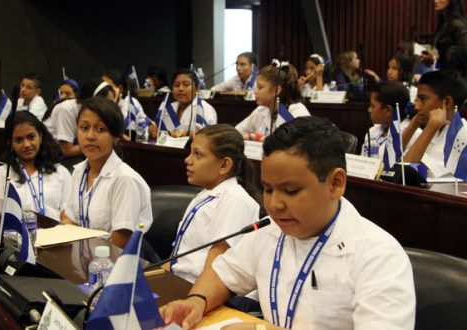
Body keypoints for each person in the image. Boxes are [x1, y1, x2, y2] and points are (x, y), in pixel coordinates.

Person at [160, 116, 416, 330]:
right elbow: (223, 273)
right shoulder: (270, 230)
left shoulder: (379, 255)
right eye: (268, 189)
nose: (275, 204)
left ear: (335, 183)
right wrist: (197, 300)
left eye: (290, 190)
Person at [167, 124, 260, 283]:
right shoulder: (206, 194)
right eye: (190, 152)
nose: (187, 160)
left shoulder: (235, 200)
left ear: (224, 165)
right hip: (179, 278)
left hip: (200, 289)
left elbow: (216, 266)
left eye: (198, 154)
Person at [61, 97, 152, 248]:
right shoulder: (79, 172)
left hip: (115, 265)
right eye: (84, 128)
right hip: (83, 258)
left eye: (100, 129)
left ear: (116, 137)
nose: (89, 136)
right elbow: (71, 221)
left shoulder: (124, 180)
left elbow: (119, 246)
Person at [0, 111, 70, 221]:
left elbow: (68, 215)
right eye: (19, 140)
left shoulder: (61, 172)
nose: (26, 145)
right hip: (14, 236)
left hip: (56, 235)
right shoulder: (1, 174)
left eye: (31, 137)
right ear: (10, 143)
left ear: (40, 137)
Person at [403, 70, 467, 177]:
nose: (416, 106)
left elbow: (405, 173)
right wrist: (414, 123)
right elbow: (394, 165)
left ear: (447, 102)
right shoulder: (438, 130)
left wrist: (432, 126)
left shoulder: (461, 135)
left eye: (423, 99)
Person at [236, 63, 309, 141]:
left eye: (260, 87)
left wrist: (255, 137)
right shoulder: (261, 110)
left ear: (277, 90)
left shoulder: (297, 110)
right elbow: (236, 133)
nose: (255, 91)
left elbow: (298, 145)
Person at [44, 79, 116, 158]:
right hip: (51, 157)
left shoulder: (92, 112)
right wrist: (99, 144)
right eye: (108, 103)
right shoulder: (66, 109)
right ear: (94, 100)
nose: (110, 107)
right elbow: (67, 151)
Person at [361, 81, 421, 159]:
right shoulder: (372, 131)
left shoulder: (415, 135)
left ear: (388, 110)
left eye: (373, 106)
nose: (369, 110)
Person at [102, 69, 158, 138]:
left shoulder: (130, 103)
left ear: (120, 88)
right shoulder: (98, 102)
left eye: (108, 87)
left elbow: (149, 125)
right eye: (102, 87)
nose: (103, 91)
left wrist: (150, 128)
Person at [169, 69, 218, 137]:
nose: (180, 89)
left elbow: (207, 135)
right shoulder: (170, 107)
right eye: (176, 85)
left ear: (197, 89)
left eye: (186, 85)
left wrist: (180, 133)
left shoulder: (205, 108)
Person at [433, 0, 467, 69]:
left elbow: (464, 54)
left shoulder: (457, 25)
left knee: (424, 78)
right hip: (444, 70)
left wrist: (437, 57)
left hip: (456, 75)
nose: (435, 1)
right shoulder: (444, 22)